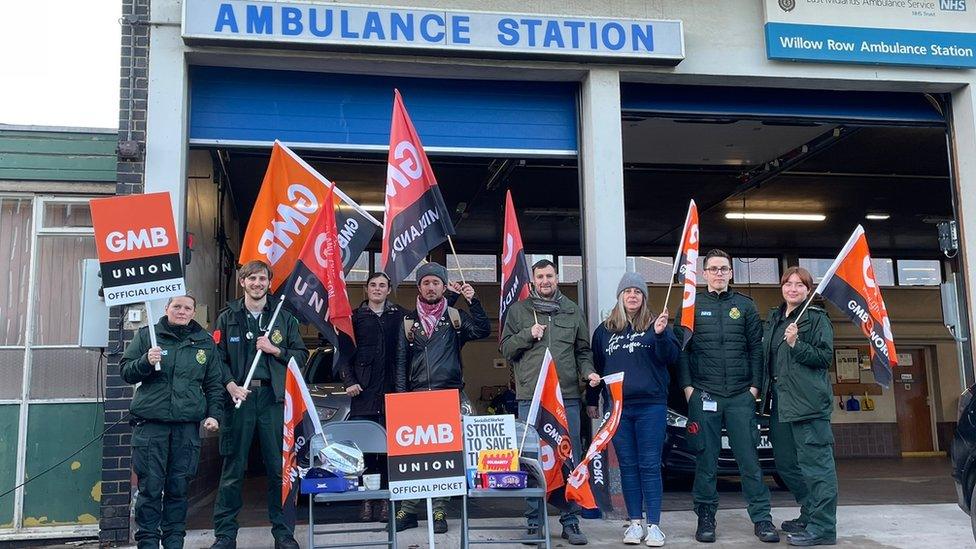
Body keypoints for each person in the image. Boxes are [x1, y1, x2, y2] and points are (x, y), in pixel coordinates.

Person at [677, 249, 779, 544]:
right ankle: (706, 518)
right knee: (706, 460)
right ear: (704, 273)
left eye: (724, 269)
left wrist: (753, 390)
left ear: (731, 273)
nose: (719, 273)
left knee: (749, 460)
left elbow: (756, 350)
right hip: (704, 394)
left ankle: (762, 519)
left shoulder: (745, 306)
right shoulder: (690, 305)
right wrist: (688, 389)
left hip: (739, 396)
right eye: (713, 269)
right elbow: (682, 351)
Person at [500, 259, 601, 546]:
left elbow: (583, 351)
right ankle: (534, 522)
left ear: (557, 278)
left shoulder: (572, 311)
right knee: (531, 460)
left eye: (550, 276)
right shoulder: (519, 311)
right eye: (540, 276)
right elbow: (506, 349)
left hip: (566, 396)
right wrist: (526, 335)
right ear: (533, 282)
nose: (546, 280)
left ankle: (570, 521)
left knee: (568, 458)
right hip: (530, 398)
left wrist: (589, 372)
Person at [210, 260, 308, 549]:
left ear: (269, 282)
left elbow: (301, 357)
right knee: (233, 467)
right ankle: (225, 535)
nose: (257, 283)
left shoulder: (283, 318)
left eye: (262, 278)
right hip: (239, 399)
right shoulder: (227, 317)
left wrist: (275, 349)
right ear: (242, 282)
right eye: (251, 278)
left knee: (280, 469)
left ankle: (283, 534)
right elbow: (217, 360)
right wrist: (230, 385)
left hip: (272, 399)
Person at [393, 262, 490, 534]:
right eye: (426, 282)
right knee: (413, 457)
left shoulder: (455, 317)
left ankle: (439, 511)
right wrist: (402, 399)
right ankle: (409, 510)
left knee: (445, 457)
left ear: (444, 286)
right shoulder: (408, 321)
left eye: (436, 282)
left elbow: (483, 330)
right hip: (416, 397)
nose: (431, 287)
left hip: (449, 395)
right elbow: (400, 362)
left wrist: (475, 301)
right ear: (419, 287)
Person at [120, 295, 223, 549]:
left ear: (193, 312)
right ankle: (147, 543)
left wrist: (214, 415)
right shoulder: (148, 336)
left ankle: (174, 541)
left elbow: (214, 385)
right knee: (150, 488)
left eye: (187, 307)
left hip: (186, 428)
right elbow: (125, 370)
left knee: (178, 488)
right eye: (176, 306)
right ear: (166, 309)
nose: (182, 311)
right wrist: (146, 361)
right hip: (151, 426)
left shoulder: (204, 343)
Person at [587, 273, 678, 547]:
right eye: (627, 291)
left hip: (651, 407)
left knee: (650, 465)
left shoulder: (657, 325)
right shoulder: (604, 330)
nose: (632, 296)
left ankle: (654, 526)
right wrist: (592, 399)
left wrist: (661, 336)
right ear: (620, 296)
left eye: (637, 291)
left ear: (644, 297)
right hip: (618, 410)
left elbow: (671, 358)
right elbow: (597, 366)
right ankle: (635, 523)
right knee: (627, 466)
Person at [762, 266, 837, 547]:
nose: (793, 289)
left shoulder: (816, 319)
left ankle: (824, 527)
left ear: (808, 290)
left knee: (817, 467)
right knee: (785, 464)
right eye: (788, 283)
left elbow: (824, 357)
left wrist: (797, 344)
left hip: (808, 405)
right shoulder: (775, 318)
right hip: (781, 404)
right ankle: (809, 513)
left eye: (799, 285)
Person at [341, 271, 405, 523]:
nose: (377, 289)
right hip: (364, 394)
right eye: (373, 285)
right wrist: (349, 380)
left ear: (389, 290)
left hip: (392, 393)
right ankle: (368, 501)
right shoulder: (354, 318)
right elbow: (343, 352)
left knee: (391, 451)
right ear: (366, 290)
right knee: (366, 452)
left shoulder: (399, 316)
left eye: (382, 285)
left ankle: (387, 502)